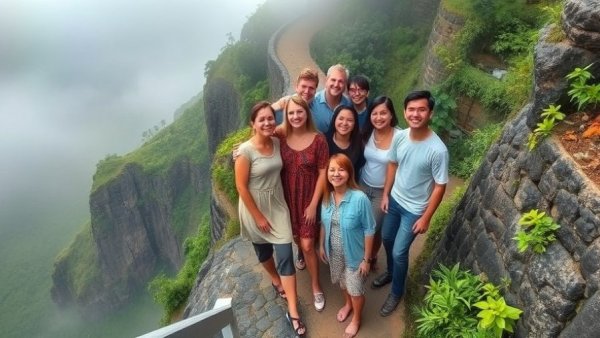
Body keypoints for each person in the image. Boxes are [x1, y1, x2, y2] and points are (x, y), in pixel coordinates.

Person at [372, 90, 449, 317]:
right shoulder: (400, 137)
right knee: (386, 237)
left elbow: (440, 186)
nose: (416, 114)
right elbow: (393, 165)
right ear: (405, 112)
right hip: (395, 200)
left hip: (414, 210)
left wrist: (426, 217)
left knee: (398, 251)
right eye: (411, 109)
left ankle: (397, 291)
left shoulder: (438, 150)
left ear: (430, 113)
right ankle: (391, 273)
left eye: (421, 109)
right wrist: (386, 194)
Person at [234, 101, 306, 336]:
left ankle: (293, 311)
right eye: (261, 119)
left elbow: (298, 113)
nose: (267, 122)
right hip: (254, 206)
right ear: (252, 124)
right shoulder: (244, 151)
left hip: (277, 204)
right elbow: (241, 188)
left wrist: (281, 104)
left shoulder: (277, 141)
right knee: (264, 253)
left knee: (286, 254)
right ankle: (275, 279)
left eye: (270, 117)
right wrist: (258, 217)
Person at [277, 94, 329, 312]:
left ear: (306, 113)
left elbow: (323, 172)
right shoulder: (280, 135)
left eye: (300, 112)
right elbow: (258, 130)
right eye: (291, 113)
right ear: (286, 116)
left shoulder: (318, 139)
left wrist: (313, 204)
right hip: (287, 199)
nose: (296, 116)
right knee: (298, 239)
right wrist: (239, 151)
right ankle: (305, 257)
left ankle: (316, 285)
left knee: (308, 245)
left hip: (308, 198)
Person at [319, 153, 375, 338]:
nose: (336, 174)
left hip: (355, 255)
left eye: (341, 169)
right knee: (342, 283)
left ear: (349, 173)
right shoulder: (327, 198)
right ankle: (348, 305)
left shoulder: (360, 199)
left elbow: (369, 229)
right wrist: (321, 246)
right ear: (327, 174)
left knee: (355, 289)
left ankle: (357, 318)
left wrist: (366, 260)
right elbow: (323, 225)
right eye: (332, 170)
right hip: (334, 253)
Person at [359, 96, 402, 272]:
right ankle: (363, 256)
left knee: (374, 227)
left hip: (382, 191)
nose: (378, 117)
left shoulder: (400, 137)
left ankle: (370, 257)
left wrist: (388, 194)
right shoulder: (367, 132)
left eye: (383, 113)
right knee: (359, 223)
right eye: (374, 113)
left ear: (391, 114)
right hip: (362, 184)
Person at [324, 105, 365, 179]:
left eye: (350, 120)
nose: (345, 123)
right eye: (341, 119)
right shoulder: (323, 141)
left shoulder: (359, 143)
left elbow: (357, 170)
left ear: (355, 124)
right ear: (334, 120)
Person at [311, 64, 352, 133]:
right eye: (333, 80)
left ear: (345, 84)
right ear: (326, 80)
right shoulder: (313, 101)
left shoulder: (349, 105)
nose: (336, 85)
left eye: (340, 81)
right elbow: (299, 100)